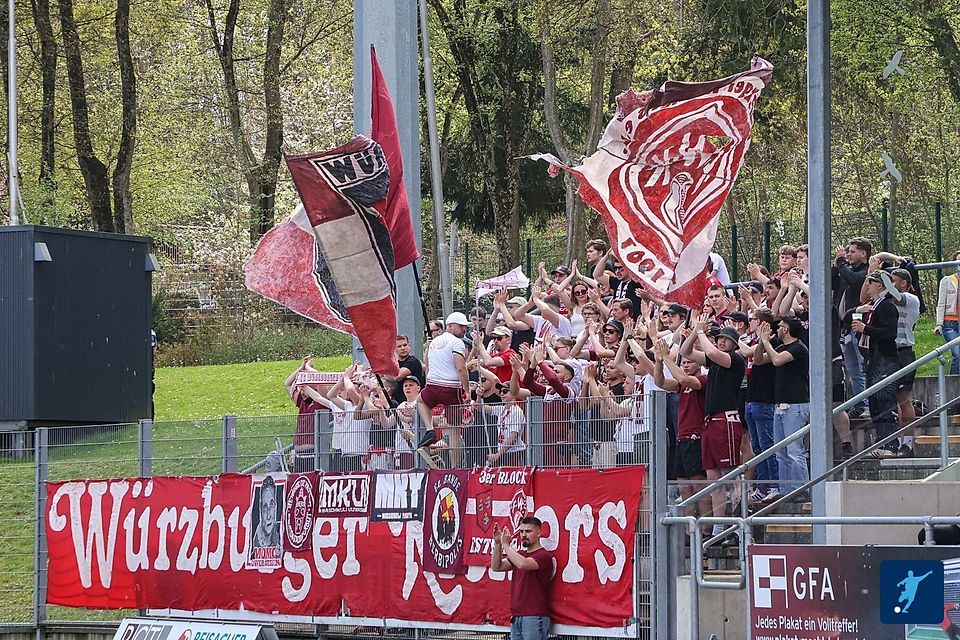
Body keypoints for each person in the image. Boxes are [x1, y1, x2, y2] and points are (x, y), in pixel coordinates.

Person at [680, 318, 747, 534]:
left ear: (735, 344)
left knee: (730, 475)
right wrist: (694, 334)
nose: (721, 342)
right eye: (719, 339)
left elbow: (711, 353)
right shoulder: (714, 362)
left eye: (726, 339)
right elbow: (685, 351)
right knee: (713, 477)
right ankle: (720, 526)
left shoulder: (735, 360)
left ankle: (738, 523)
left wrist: (700, 333)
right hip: (710, 423)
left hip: (725, 420)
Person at [756, 316, 809, 498]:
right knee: (781, 453)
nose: (776, 330)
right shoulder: (779, 347)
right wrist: (762, 343)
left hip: (795, 405)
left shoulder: (798, 348)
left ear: (785, 330)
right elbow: (757, 360)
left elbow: (777, 360)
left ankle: (801, 490)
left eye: (779, 327)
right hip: (780, 406)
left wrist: (766, 342)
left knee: (795, 451)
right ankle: (787, 491)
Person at [852, 270, 901, 457]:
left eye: (870, 282)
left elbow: (890, 332)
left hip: (885, 359)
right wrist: (861, 330)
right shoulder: (872, 306)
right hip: (872, 358)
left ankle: (891, 445)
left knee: (884, 400)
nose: (867, 285)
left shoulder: (886, 306)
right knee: (874, 402)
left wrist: (866, 329)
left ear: (880, 285)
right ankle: (883, 442)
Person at [418, 312, 472, 468]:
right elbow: (461, 368)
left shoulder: (434, 342)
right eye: (461, 326)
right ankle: (455, 467)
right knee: (455, 430)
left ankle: (429, 429)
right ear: (450, 326)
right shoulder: (457, 343)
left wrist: (428, 381)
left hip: (433, 385)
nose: (464, 330)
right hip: (451, 388)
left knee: (421, 401)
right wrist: (467, 390)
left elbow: (427, 363)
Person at [491, 517, 553, 640]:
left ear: (539, 533)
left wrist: (506, 545)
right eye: (521, 531)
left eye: (528, 531)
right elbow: (496, 566)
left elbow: (523, 564)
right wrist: (498, 543)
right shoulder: (520, 555)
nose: (523, 535)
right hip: (517, 615)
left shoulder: (544, 556)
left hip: (534, 616)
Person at [833, 237, 872, 416]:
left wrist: (841, 261)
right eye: (847, 251)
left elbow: (856, 281)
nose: (848, 254)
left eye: (852, 251)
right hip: (845, 327)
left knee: (863, 366)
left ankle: (867, 404)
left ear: (863, 254)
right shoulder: (845, 270)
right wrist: (836, 265)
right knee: (853, 370)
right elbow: (832, 282)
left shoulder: (866, 271)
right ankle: (859, 403)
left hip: (860, 326)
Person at [935, 250, 960, 375]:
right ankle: (953, 384)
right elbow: (940, 304)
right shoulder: (947, 280)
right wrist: (939, 323)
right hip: (950, 323)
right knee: (958, 355)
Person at [251, 476, 281, 556]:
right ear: (260, 509)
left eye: (271, 506)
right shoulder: (254, 541)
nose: (268, 516)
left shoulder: (280, 534)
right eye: (264, 508)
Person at [394, 335, 425, 404]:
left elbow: (398, 376)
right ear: (394, 349)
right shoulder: (397, 363)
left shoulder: (413, 361)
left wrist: (385, 373)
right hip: (400, 403)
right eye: (399, 346)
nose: (403, 348)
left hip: (414, 404)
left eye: (405, 345)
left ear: (409, 346)